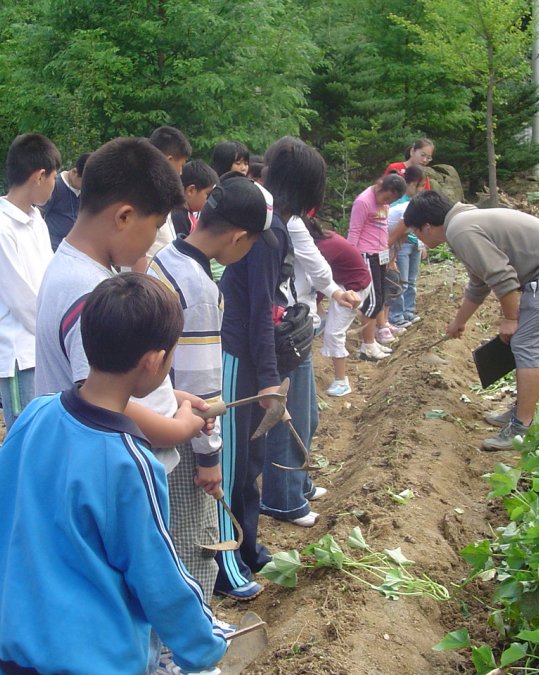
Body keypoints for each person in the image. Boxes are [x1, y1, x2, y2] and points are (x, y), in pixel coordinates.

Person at [0, 274, 227, 674]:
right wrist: (203, 644)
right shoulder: (129, 463)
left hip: (14, 639)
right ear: (154, 361)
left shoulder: (37, 414)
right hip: (90, 658)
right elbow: (158, 576)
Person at [34, 137, 207, 461]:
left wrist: (171, 399)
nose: (155, 240)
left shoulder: (72, 265)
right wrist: (179, 428)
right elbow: (102, 400)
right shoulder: (88, 293)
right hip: (108, 469)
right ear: (124, 217)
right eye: (156, 226)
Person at [147, 174, 271, 603]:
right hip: (181, 434)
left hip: (156, 412)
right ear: (238, 237)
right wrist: (210, 457)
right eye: (252, 242)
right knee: (191, 533)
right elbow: (203, 389)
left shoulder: (164, 256)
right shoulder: (200, 289)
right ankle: (187, 641)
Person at [403, 191, 539, 450]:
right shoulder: (462, 225)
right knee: (525, 344)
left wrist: (510, 318)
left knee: (527, 346)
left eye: (416, 233)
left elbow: (502, 277)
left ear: (427, 226)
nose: (418, 238)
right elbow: (479, 284)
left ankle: (521, 427)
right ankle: (520, 411)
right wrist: (459, 321)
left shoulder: (461, 231)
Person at [259, 137, 360, 529]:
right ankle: (282, 499)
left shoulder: (287, 220)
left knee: (305, 417)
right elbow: (307, 269)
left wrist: (335, 292)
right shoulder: (272, 223)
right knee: (287, 419)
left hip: (294, 327)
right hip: (281, 332)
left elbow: (316, 264)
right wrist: (333, 291)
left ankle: (296, 483)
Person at [215, 171, 290, 600]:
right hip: (236, 357)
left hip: (246, 356)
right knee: (235, 465)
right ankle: (227, 565)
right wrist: (267, 380)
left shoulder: (269, 232)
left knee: (251, 460)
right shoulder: (261, 240)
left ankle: (247, 547)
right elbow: (261, 311)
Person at [0, 133, 60, 431]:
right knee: (26, 437)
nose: (55, 185)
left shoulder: (35, 219)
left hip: (43, 345)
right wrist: (57, 332)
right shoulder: (0, 230)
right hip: (20, 355)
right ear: (39, 176)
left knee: (47, 435)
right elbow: (23, 302)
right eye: (53, 178)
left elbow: (50, 276)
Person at [347, 173, 409, 360]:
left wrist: (390, 257)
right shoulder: (363, 201)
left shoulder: (384, 203)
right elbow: (354, 231)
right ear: (380, 186)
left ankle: (372, 342)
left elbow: (381, 229)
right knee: (371, 302)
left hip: (380, 255)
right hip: (366, 255)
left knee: (380, 298)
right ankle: (367, 346)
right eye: (386, 198)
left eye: (392, 200)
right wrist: (351, 259)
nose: (387, 202)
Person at [313, 219, 373, 397]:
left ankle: (341, 381)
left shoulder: (322, 248)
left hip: (354, 287)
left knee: (334, 333)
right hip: (342, 280)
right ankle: (322, 320)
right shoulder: (324, 238)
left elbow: (318, 277)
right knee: (318, 315)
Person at [131, 126, 194, 272]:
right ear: (169, 160)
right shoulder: (147, 193)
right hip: (146, 283)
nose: (181, 172)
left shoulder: (158, 190)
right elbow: (139, 250)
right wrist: (142, 288)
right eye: (181, 165)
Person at [386, 165, 427, 330]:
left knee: (409, 280)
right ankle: (396, 317)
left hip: (402, 244)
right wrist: (389, 259)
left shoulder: (416, 210)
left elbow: (402, 237)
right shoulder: (407, 210)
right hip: (385, 242)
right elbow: (393, 237)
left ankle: (407, 313)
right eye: (421, 185)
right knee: (398, 281)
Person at [41, 152, 91, 251]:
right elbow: (39, 212)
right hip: (54, 247)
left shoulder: (86, 191)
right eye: (84, 183)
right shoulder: (55, 185)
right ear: (74, 172)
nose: (86, 187)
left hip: (75, 248)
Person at [171, 159, 219, 238]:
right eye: (208, 194)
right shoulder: (180, 218)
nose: (209, 200)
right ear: (191, 190)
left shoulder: (187, 214)